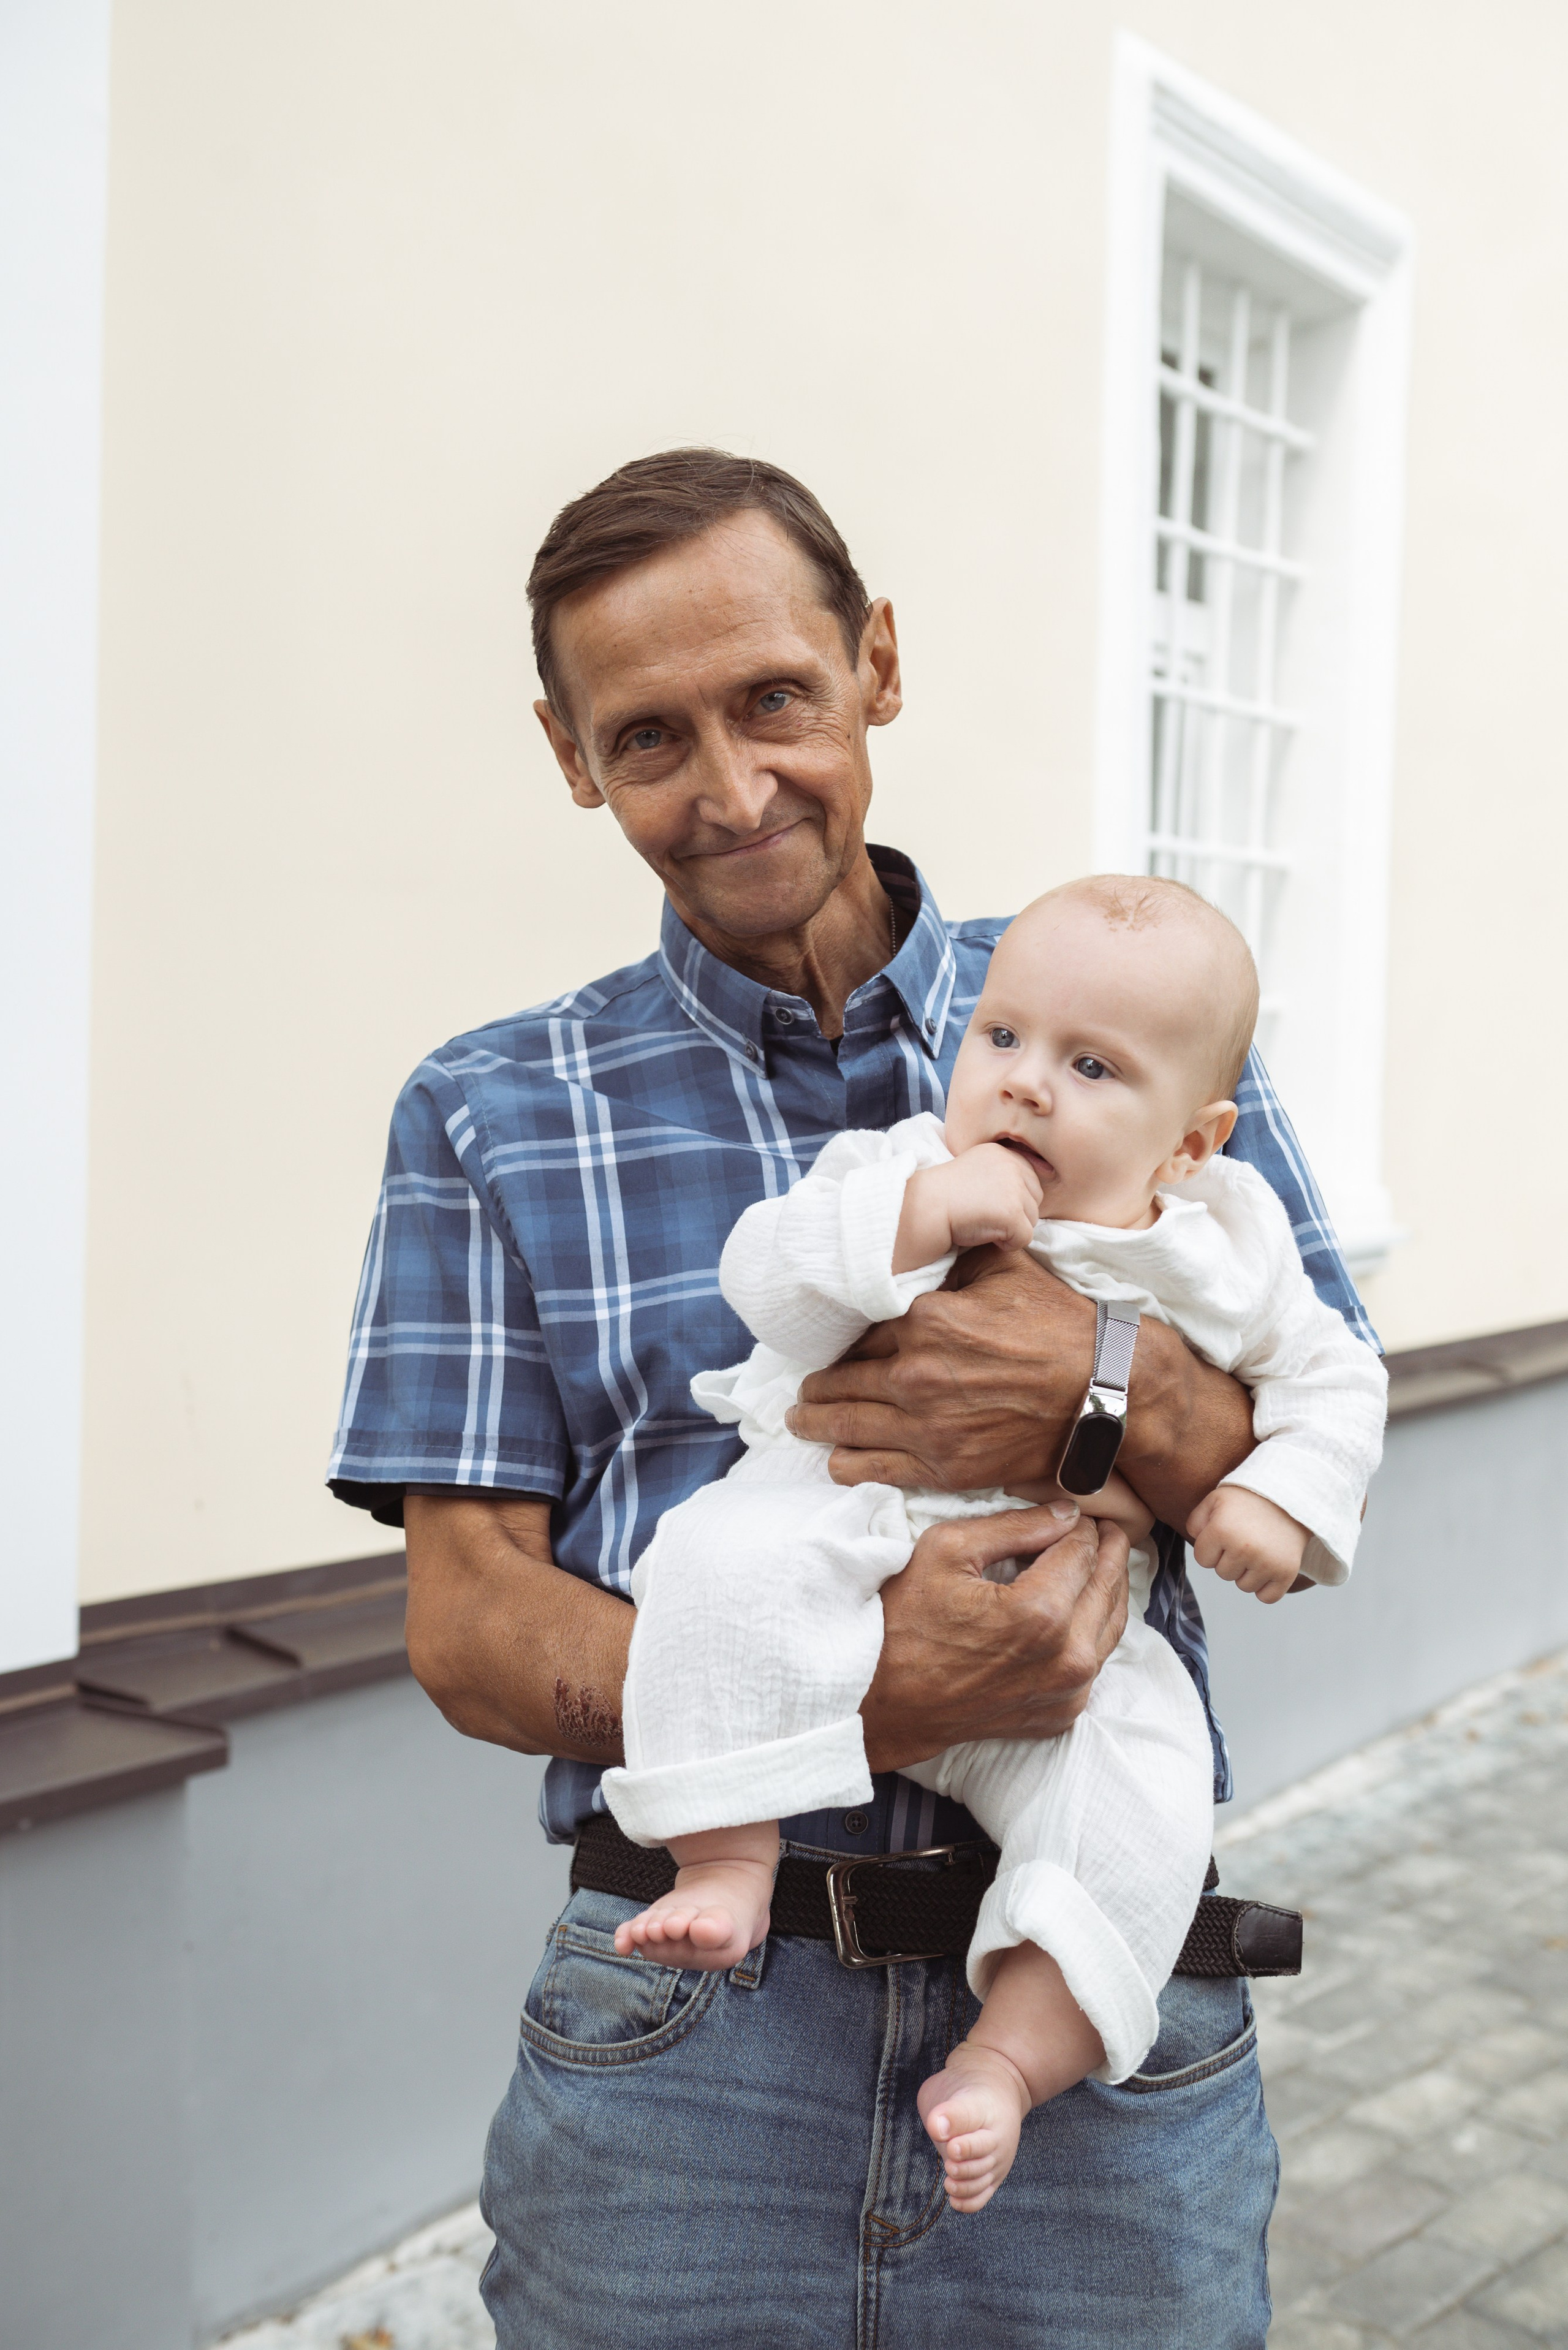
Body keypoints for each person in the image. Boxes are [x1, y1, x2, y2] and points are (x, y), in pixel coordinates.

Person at [328, 449, 1381, 2347]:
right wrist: (870, 1690)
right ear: (572, 756)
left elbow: (1318, 1426)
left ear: (876, 662)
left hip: (1092, 1997)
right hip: (687, 2032)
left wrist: (1094, 1386)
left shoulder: (1137, 1015)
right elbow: (469, 1626)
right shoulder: (488, 1111)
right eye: (649, 738)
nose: (734, 789)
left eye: (775, 699)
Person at [602, 874, 1387, 2212]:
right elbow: (767, 1274)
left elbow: (1334, 1376)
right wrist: (917, 1219)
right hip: (834, 1531)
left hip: (1071, 1633)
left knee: (1147, 1781)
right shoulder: (897, 1165)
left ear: (1191, 1144)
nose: (1023, 1083)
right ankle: (725, 1856)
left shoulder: (1229, 1241)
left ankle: (1010, 2058)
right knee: (713, 1565)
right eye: (1003, 1037)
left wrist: (1279, 1492)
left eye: (1091, 1067)